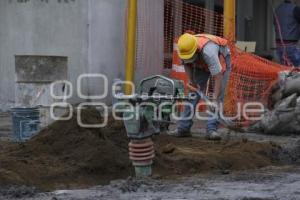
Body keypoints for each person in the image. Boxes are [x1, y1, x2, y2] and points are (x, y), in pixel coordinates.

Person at [169, 33, 231, 140]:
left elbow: (218, 77)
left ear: (196, 50)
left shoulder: (209, 52)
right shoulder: (184, 48)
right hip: (200, 60)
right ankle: (183, 128)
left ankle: (211, 130)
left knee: (217, 98)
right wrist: (192, 81)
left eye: (190, 57)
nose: (188, 59)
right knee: (192, 94)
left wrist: (214, 99)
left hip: (221, 57)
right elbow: (186, 63)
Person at [274, 0, 300, 66]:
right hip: (291, 46)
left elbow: (275, 24)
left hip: (279, 45)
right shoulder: (295, 9)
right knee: (296, 71)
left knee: (284, 70)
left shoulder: (277, 9)